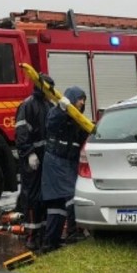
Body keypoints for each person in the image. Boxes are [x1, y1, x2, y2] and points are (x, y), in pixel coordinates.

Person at [41, 86, 89, 252]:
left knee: (58, 205)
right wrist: (62, 109)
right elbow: (51, 124)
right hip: (56, 162)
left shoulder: (79, 121)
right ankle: (73, 232)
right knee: (69, 197)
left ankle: (52, 241)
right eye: (80, 98)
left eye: (84, 99)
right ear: (72, 98)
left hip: (67, 163)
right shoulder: (57, 114)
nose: (82, 102)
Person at [15, 73, 54, 251]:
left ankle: (45, 233)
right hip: (32, 161)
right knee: (32, 197)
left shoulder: (49, 105)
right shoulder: (28, 105)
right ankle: (32, 235)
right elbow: (21, 133)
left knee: (46, 197)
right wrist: (30, 153)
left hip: (46, 159)